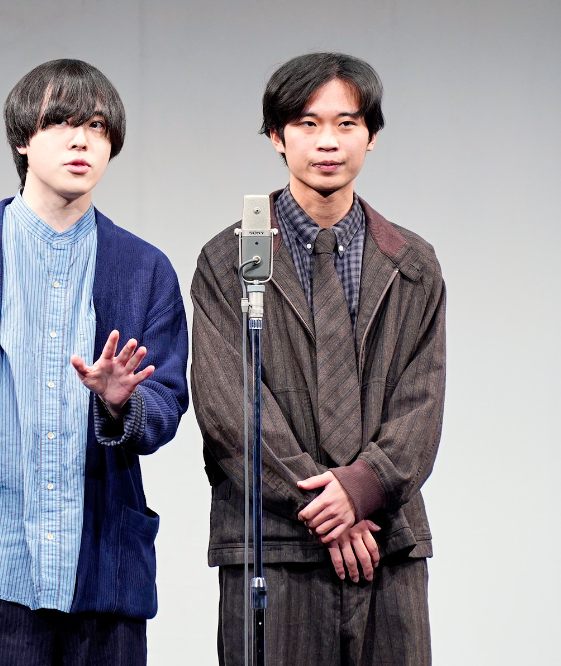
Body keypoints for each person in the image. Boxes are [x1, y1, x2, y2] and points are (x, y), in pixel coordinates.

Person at [0, 59, 189, 666]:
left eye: (97, 127)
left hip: (101, 582)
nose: (82, 141)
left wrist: (123, 403)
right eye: (61, 123)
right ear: (23, 139)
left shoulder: (145, 269)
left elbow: (166, 404)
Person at [191, 52, 446, 665]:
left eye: (346, 123)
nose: (327, 141)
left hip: (387, 544)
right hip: (272, 547)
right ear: (277, 137)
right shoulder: (228, 260)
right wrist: (327, 505)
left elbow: (422, 403)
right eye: (307, 124)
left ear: (371, 135)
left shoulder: (412, 264)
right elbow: (228, 407)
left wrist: (362, 488)